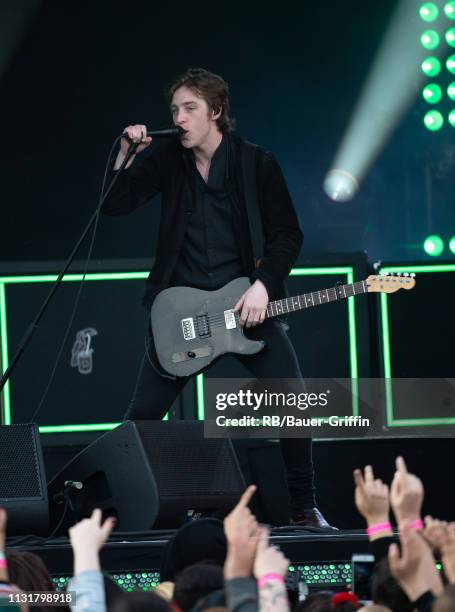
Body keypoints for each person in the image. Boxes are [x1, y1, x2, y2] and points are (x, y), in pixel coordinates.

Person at [102, 67, 330, 528]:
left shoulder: (256, 163)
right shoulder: (167, 159)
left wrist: (264, 285)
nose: (179, 119)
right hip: (182, 311)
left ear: (217, 112)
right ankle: (114, 513)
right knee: (141, 417)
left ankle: (304, 508)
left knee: (295, 401)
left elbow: (288, 234)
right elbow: (115, 205)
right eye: (174, 110)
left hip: (245, 306)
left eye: (190, 109)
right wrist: (124, 156)